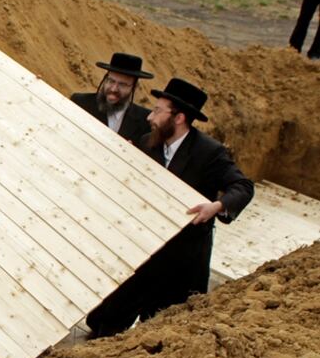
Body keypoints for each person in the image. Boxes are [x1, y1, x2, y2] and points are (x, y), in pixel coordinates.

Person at [85, 78, 253, 338]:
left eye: (158, 111)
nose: (150, 116)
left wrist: (216, 206)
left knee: (162, 332)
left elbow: (242, 186)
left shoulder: (209, 152)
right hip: (145, 251)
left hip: (182, 260)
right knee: (104, 323)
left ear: (179, 118)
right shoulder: (146, 142)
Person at [70, 52, 154, 146]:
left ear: (134, 87)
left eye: (122, 84)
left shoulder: (145, 121)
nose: (114, 89)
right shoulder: (81, 103)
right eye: (111, 81)